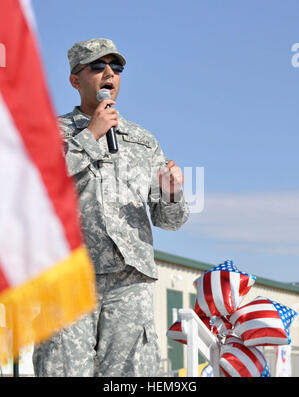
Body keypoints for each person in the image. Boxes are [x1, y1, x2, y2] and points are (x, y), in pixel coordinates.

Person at [32, 38, 189, 377]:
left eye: (116, 68)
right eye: (98, 66)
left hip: (129, 281)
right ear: (75, 79)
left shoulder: (143, 141)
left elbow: (168, 220)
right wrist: (90, 136)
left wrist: (172, 193)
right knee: (62, 369)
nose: (109, 74)